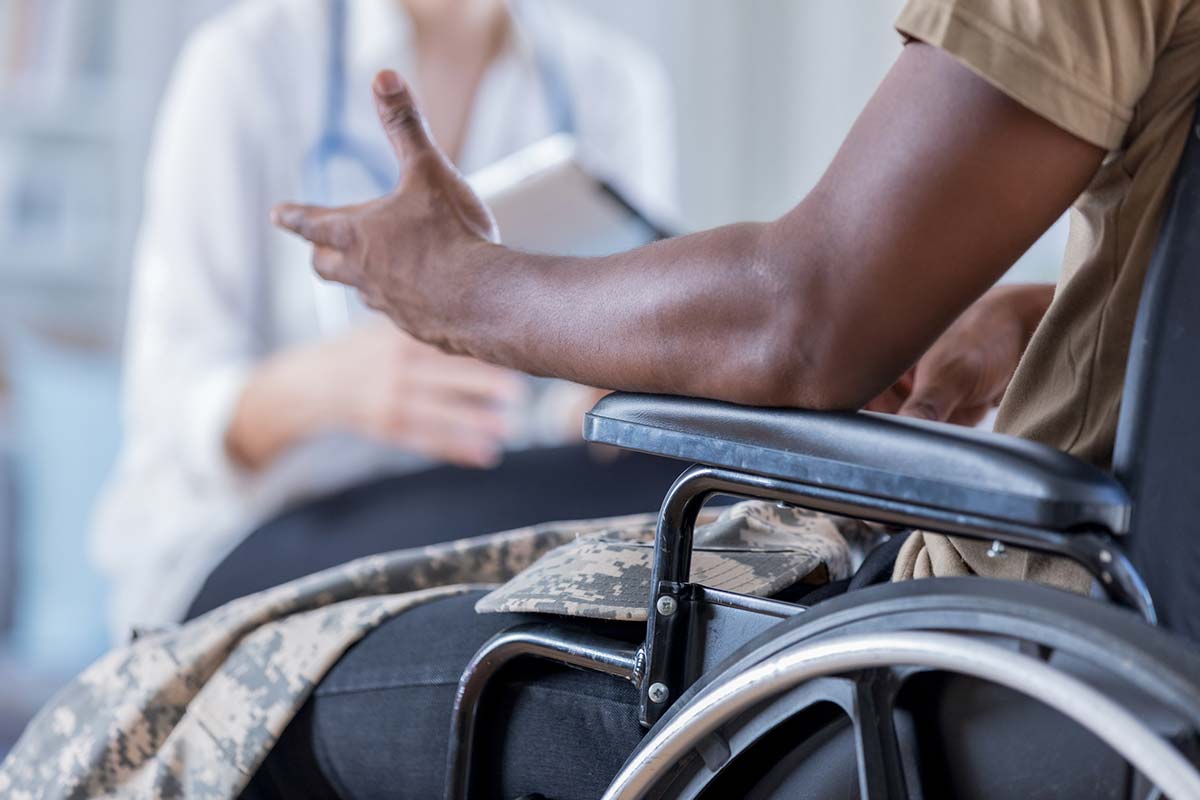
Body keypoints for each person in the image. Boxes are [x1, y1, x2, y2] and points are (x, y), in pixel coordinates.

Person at [4, 0, 1198, 797]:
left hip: (1025, 640)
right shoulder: (249, 62)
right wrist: (1039, 321)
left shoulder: (602, 76)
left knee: (242, 717)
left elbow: (794, 322)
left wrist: (461, 292)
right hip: (1140, 624)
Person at [90, 0, 679, 636]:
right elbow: (174, 412)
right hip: (258, 531)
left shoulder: (612, 84)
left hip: (496, 501)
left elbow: (582, 396)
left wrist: (608, 402)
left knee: (684, 490)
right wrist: (330, 388)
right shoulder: (249, 62)